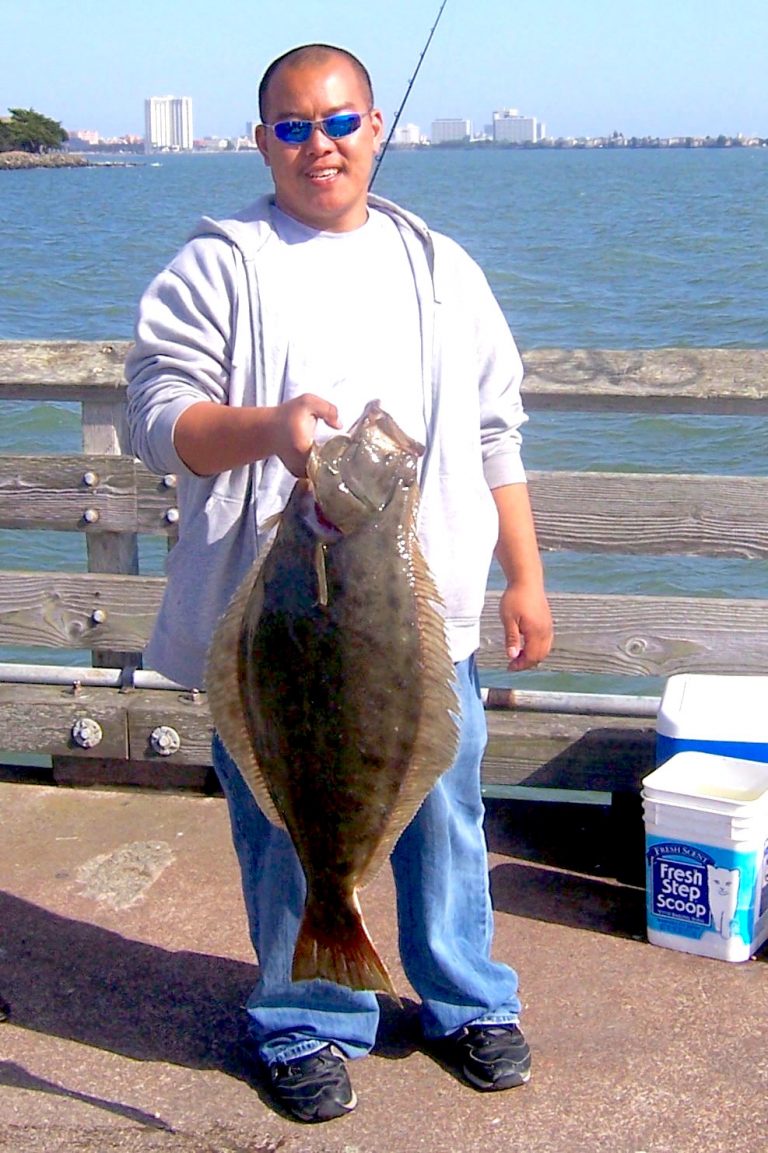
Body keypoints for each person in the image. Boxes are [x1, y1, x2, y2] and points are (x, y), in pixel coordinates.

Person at [125, 42, 553, 1124]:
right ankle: (303, 1017)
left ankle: (466, 1000)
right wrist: (271, 429)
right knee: (285, 827)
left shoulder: (442, 268)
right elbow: (156, 416)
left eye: (339, 121)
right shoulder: (219, 263)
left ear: (374, 127)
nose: (320, 145)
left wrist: (526, 576)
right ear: (261, 139)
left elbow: (498, 429)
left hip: (424, 618)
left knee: (446, 817)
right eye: (293, 126)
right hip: (272, 621)